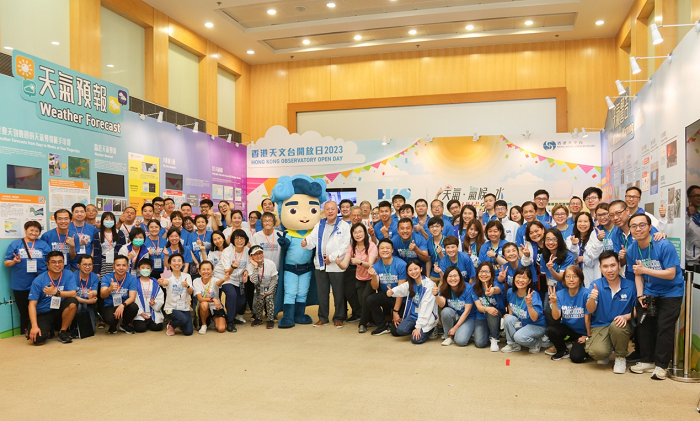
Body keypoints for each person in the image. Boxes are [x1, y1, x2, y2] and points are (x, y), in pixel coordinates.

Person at [625, 213, 684, 380]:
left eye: (642, 225)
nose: (638, 229)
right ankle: (647, 360)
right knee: (644, 326)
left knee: (664, 327)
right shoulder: (632, 249)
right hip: (650, 291)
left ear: (650, 227)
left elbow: (671, 274)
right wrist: (640, 296)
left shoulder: (664, 245)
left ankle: (661, 365)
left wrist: (646, 271)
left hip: (671, 292)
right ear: (630, 230)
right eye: (634, 226)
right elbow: (637, 274)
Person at [302, 201, 351, 328]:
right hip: (320, 264)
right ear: (324, 211)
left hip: (336, 265)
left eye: (332, 209)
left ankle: (339, 317)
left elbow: (345, 246)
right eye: (327, 209)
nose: (330, 211)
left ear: (337, 210)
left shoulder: (344, 226)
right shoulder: (319, 224)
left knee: (338, 293)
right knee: (322, 293)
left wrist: (332, 257)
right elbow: (312, 239)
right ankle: (323, 317)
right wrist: (305, 242)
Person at [585, 251, 635, 374]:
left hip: (621, 326)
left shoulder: (631, 285)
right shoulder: (596, 285)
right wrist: (592, 298)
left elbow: (638, 310)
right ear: (600, 268)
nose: (609, 270)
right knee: (598, 353)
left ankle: (620, 356)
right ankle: (607, 350)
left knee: (617, 325)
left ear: (619, 265)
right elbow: (590, 309)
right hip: (600, 325)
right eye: (605, 266)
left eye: (612, 265)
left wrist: (627, 316)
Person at [4, 221, 52, 334]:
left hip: (40, 282)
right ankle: (25, 330)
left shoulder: (43, 245)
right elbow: (6, 263)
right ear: (25, 230)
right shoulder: (15, 244)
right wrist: (14, 261)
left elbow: (50, 261)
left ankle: (41, 329)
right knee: (24, 310)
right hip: (20, 283)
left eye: (37, 231)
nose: (34, 233)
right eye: (31, 230)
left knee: (40, 308)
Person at [27, 251, 77, 345]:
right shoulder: (38, 280)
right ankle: (46, 329)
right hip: (44, 313)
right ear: (47, 264)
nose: (57, 265)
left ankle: (62, 331)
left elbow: (73, 293)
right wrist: (34, 326)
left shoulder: (68, 274)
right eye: (54, 262)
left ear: (63, 263)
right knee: (37, 340)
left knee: (72, 302)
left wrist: (56, 292)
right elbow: (32, 305)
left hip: (59, 311)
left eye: (60, 262)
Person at [337, 222, 378, 333]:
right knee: (362, 302)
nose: (358, 234)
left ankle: (362, 324)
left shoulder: (371, 246)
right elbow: (345, 264)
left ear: (365, 233)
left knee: (365, 297)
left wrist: (359, 262)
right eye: (355, 232)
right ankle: (372, 320)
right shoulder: (352, 247)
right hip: (359, 278)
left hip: (371, 278)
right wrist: (338, 263)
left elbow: (370, 264)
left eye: (360, 231)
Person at [546, 265, 590, 362]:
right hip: (569, 330)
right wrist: (554, 303)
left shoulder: (586, 294)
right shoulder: (560, 294)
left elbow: (590, 317)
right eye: (568, 276)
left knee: (576, 358)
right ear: (564, 280)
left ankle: (588, 345)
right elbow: (556, 317)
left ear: (580, 279)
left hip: (584, 331)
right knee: (551, 330)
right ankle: (562, 350)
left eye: (574, 276)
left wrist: (587, 335)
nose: (571, 279)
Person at [386, 260, 437, 344]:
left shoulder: (428, 285)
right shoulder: (411, 283)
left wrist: (419, 327)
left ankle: (431, 329)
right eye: (410, 270)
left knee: (415, 340)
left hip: (426, 317)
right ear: (407, 272)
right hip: (414, 316)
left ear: (421, 269)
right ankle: (418, 329)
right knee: (400, 330)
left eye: (415, 269)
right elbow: (401, 288)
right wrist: (392, 292)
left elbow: (425, 308)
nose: (413, 272)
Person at [501, 266, 548, 353]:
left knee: (519, 337)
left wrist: (529, 304)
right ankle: (513, 345)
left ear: (529, 281)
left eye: (524, 278)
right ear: (514, 278)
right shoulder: (510, 292)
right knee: (507, 318)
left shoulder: (533, 295)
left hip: (537, 325)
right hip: (522, 322)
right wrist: (510, 315)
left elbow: (535, 318)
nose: (520, 280)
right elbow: (509, 304)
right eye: (518, 277)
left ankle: (535, 343)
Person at [365, 239, 407, 336]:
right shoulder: (376, 266)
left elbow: (401, 291)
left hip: (401, 299)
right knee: (370, 299)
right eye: (382, 248)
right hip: (388, 296)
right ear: (378, 251)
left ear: (392, 250)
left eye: (387, 248)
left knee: (396, 332)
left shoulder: (401, 265)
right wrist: (374, 276)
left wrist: (395, 312)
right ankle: (382, 326)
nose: (385, 250)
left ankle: (398, 318)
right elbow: (375, 287)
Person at [436, 266, 475, 347]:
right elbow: (442, 304)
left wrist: (455, 328)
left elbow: (467, 311)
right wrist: (436, 295)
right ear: (446, 278)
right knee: (446, 311)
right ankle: (449, 336)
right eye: (450, 276)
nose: (453, 279)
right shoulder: (444, 287)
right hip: (455, 315)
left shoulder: (468, 288)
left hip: (469, 317)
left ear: (460, 277)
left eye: (455, 276)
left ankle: (465, 330)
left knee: (461, 341)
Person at [100, 255, 138, 334]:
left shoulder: (132, 278)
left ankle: (124, 324)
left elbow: (132, 297)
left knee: (134, 307)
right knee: (109, 319)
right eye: (118, 265)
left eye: (124, 265)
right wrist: (109, 289)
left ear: (127, 267)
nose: (121, 268)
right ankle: (113, 325)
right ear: (113, 266)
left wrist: (122, 305)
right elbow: (102, 295)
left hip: (125, 305)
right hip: (110, 305)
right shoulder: (106, 278)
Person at [472, 262, 506, 351]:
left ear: (492, 273)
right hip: (481, 317)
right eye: (481, 271)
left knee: (492, 311)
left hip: (496, 315)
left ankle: (494, 338)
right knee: (480, 343)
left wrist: (492, 290)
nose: (483, 274)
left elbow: (497, 290)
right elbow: (479, 306)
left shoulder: (497, 283)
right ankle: (490, 332)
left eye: (487, 271)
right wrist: (486, 308)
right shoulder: (475, 287)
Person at [220, 229, 250, 331]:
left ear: (246, 240)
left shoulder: (247, 250)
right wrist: (233, 266)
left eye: (242, 238)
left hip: (240, 280)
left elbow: (249, 264)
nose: (239, 241)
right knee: (232, 295)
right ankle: (230, 322)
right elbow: (227, 271)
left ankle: (229, 315)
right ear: (233, 240)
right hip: (226, 279)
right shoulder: (227, 251)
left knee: (242, 301)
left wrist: (246, 272)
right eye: (237, 238)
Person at [159, 254, 194, 336]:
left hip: (184, 307)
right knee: (183, 319)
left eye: (179, 261)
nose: (176, 263)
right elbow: (165, 282)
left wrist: (187, 286)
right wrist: (162, 282)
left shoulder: (187, 276)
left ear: (182, 264)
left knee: (188, 332)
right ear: (170, 264)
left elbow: (190, 292)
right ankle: (171, 324)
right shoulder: (167, 274)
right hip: (171, 307)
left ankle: (180, 323)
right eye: (174, 261)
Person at [567, 212, 603, 286]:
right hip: (574, 277)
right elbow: (571, 258)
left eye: (586, 221)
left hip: (591, 275)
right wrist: (574, 245)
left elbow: (594, 256)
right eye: (579, 221)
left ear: (590, 223)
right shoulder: (570, 238)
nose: (582, 224)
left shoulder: (596, 237)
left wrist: (583, 258)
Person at [246, 245, 279, 329]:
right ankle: (258, 318)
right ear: (251, 257)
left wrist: (269, 291)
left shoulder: (270, 263)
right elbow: (254, 281)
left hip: (270, 286)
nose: (259, 255)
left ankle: (270, 319)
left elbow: (274, 279)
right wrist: (255, 267)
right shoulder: (250, 266)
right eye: (256, 254)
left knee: (268, 298)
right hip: (259, 287)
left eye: (260, 253)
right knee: (259, 300)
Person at [194, 260, 226, 334]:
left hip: (216, 307)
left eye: (208, 269)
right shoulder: (196, 281)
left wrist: (223, 279)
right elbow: (200, 299)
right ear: (199, 271)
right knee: (204, 303)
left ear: (212, 271)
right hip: (203, 308)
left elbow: (218, 283)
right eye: (203, 269)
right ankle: (204, 324)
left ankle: (212, 319)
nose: (206, 272)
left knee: (221, 329)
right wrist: (214, 299)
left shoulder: (215, 280)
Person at [132, 258, 164, 333]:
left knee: (157, 327)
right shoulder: (134, 282)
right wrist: (140, 312)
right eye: (143, 268)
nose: (145, 270)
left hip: (153, 311)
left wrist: (154, 303)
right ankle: (143, 320)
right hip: (140, 312)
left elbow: (160, 297)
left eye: (148, 268)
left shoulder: (156, 283)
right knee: (140, 328)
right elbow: (133, 298)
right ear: (138, 269)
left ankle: (149, 321)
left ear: (151, 270)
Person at [92, 212, 126, 277]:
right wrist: (96, 271)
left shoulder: (119, 233)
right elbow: (96, 254)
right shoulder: (98, 235)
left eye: (111, 219)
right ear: (102, 221)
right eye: (106, 219)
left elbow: (123, 250)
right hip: (103, 262)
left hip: (117, 262)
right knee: (104, 283)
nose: (109, 221)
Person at [72, 255, 99, 334]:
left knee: (91, 331)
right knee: (78, 305)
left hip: (88, 305)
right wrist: (87, 301)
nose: (87, 267)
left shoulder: (94, 277)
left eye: (90, 264)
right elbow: (72, 295)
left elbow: (95, 291)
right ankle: (74, 326)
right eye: (85, 265)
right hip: (76, 303)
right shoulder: (73, 276)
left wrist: (92, 294)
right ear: (78, 266)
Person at [69, 203, 97, 269]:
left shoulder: (92, 229)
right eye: (76, 212)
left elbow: (94, 247)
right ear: (72, 214)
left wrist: (91, 260)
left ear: (85, 213)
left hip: (87, 265)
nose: (79, 214)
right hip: (71, 264)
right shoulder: (67, 228)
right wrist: (79, 243)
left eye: (82, 212)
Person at [425, 216, 448, 284]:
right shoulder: (428, 242)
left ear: (442, 227)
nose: (434, 229)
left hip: (445, 274)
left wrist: (440, 253)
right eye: (432, 227)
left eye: (437, 226)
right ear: (429, 229)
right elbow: (428, 260)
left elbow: (448, 261)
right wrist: (428, 277)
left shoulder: (448, 241)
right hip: (433, 274)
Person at [687, 185, 700, 271]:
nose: (699, 198)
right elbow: (684, 231)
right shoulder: (684, 215)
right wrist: (688, 216)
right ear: (689, 198)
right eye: (696, 196)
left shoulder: (699, 214)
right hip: (690, 263)